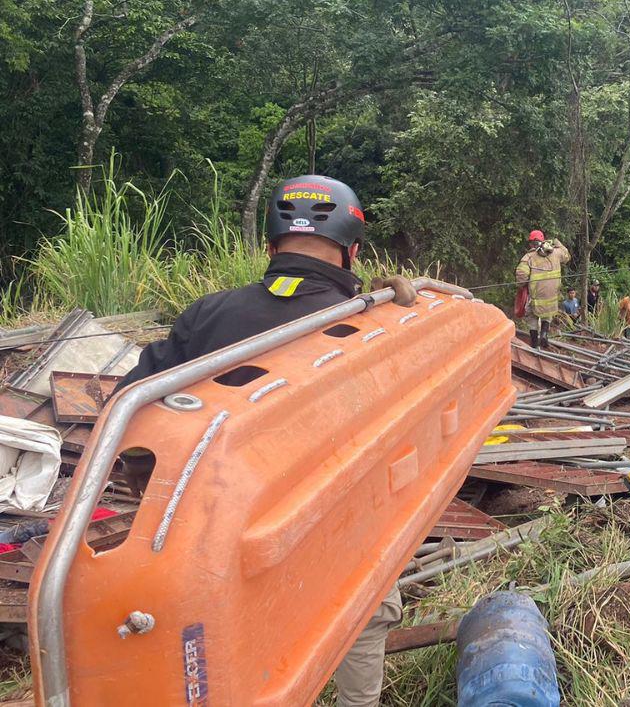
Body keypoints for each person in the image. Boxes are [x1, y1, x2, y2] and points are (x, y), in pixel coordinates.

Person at [116, 174, 417, 707]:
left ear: (270, 246)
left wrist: (156, 497)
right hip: (342, 529)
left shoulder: (205, 315)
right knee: (368, 608)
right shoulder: (376, 327)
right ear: (352, 249)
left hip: (219, 536)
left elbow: (128, 417)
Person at [514, 230, 570, 348]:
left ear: (531, 244)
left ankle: (534, 344)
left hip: (536, 299)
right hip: (552, 298)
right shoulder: (556, 253)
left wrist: (521, 286)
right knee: (547, 315)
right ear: (543, 240)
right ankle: (544, 334)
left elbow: (521, 277)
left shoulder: (528, 257)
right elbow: (566, 255)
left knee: (532, 317)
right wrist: (557, 242)